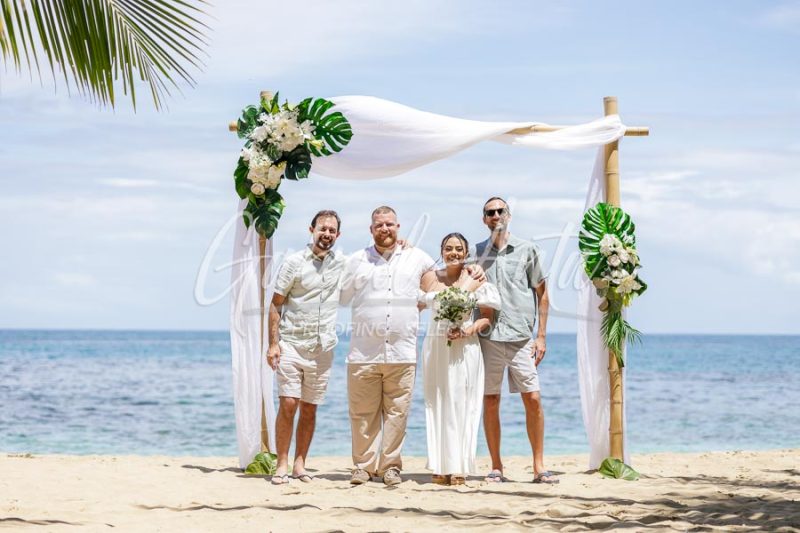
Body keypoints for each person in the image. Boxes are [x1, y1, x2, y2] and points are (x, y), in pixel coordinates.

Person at [340, 206, 485, 486]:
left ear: (398, 227)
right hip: (363, 351)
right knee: (362, 414)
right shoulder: (356, 260)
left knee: (398, 414)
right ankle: (363, 467)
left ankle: (390, 467)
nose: (385, 229)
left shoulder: (417, 257)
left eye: (390, 224)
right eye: (379, 225)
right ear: (371, 229)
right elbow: (342, 296)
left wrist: (473, 269)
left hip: (402, 351)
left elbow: (444, 280)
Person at [472, 197, 559, 484]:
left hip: (522, 337)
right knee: (490, 400)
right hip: (488, 337)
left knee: (533, 398)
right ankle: (496, 466)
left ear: (508, 215)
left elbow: (542, 294)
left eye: (500, 211)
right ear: (484, 219)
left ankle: (539, 467)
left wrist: (541, 336)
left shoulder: (527, 250)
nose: (496, 215)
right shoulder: (475, 253)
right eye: (490, 212)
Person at [266, 210, 346, 485]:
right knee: (289, 403)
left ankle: (300, 464)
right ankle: (281, 464)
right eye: (322, 228)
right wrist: (273, 344)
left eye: (332, 230)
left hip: (322, 348)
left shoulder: (342, 263)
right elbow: (276, 303)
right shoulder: (293, 263)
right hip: (291, 343)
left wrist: (402, 244)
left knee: (310, 408)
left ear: (338, 235)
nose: (327, 234)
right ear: (312, 229)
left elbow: (371, 261)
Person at [420, 233, 500, 486]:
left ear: (466, 253)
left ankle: (458, 467)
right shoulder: (430, 278)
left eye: (458, 249)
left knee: (462, 403)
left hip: (465, 346)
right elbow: (415, 303)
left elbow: (487, 317)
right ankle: (440, 465)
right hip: (435, 346)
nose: (453, 253)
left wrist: (467, 331)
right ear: (441, 251)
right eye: (448, 248)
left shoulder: (476, 278)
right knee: (437, 402)